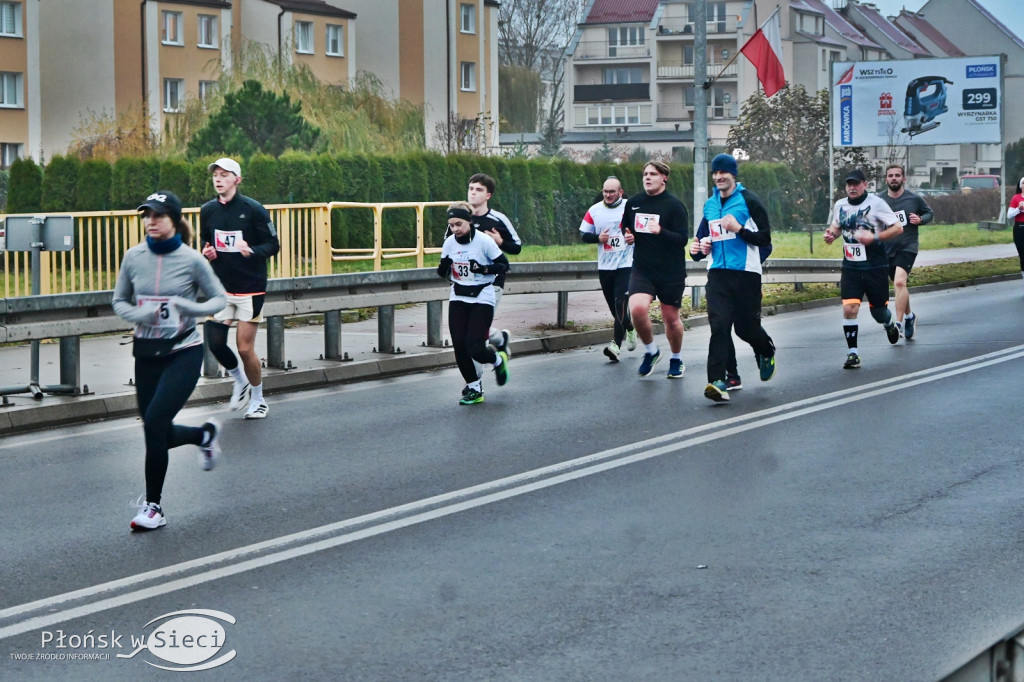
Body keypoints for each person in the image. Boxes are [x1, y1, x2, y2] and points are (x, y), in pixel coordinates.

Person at [112, 190, 227, 531]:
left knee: (155, 421)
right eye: (146, 215)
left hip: (183, 351)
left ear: (174, 221)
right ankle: (204, 435)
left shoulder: (192, 260)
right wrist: (138, 313)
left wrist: (188, 307)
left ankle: (153, 507)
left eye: (158, 216)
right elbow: (118, 300)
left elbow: (219, 299)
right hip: (146, 353)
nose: (150, 222)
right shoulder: (133, 257)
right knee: (154, 430)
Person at [690, 153, 776, 403]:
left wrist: (739, 229)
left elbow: (765, 239)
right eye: (715, 173)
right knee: (719, 326)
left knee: (745, 329)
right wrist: (697, 250)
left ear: (733, 174)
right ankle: (717, 381)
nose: (718, 177)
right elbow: (700, 242)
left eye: (723, 173)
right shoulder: (710, 205)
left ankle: (766, 350)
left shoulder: (749, 201)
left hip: (746, 274)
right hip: (717, 274)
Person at [200, 158, 280, 419]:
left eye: (224, 174)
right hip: (222, 288)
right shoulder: (208, 210)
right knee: (215, 342)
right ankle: (240, 380)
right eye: (216, 175)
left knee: (245, 349)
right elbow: (206, 240)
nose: (218, 179)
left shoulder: (254, 209)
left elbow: (273, 245)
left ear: (237, 179)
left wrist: (252, 251)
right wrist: (208, 251)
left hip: (250, 287)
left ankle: (258, 400)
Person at [823, 169, 903, 369]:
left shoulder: (876, 203)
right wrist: (831, 235)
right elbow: (837, 226)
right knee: (850, 308)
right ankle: (853, 354)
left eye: (856, 184)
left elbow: (897, 228)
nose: (852, 188)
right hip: (851, 266)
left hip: (875, 265)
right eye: (849, 184)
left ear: (865, 184)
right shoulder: (840, 205)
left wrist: (874, 237)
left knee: (878, 313)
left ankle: (889, 323)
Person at [621, 160, 690, 378]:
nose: (647, 178)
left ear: (664, 178)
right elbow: (626, 226)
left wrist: (661, 231)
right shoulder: (633, 203)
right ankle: (651, 351)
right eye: (645, 174)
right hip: (643, 268)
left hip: (671, 271)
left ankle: (676, 359)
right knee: (637, 309)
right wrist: (628, 235)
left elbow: (682, 239)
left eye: (652, 174)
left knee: (671, 319)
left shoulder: (674, 205)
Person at [438, 202, 511, 405]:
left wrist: (482, 269)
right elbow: (442, 270)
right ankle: (474, 389)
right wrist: (444, 267)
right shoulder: (449, 243)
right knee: (459, 346)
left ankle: (498, 360)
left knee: (475, 347)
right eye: (451, 225)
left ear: (469, 221)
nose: (455, 229)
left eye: (459, 224)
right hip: (459, 297)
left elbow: (504, 265)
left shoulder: (483, 241)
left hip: (482, 296)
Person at [579, 176, 637, 362]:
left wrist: (634, 237)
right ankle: (629, 327)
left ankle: (615, 345)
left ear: (620, 192)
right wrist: (598, 238)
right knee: (615, 308)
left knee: (620, 301)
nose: (608, 195)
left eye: (612, 192)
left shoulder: (632, 206)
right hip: (605, 266)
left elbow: (643, 230)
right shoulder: (594, 210)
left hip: (627, 263)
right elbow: (583, 234)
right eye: (605, 191)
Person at [466, 173, 522, 359]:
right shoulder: (460, 218)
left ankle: (476, 381)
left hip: (492, 282)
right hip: (466, 282)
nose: (473, 193)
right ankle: (500, 339)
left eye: (479, 190)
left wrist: (500, 242)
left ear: (488, 195)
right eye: (471, 188)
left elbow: (516, 247)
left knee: (476, 328)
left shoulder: (498, 219)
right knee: (469, 327)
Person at [877, 164, 933, 340]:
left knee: (900, 283)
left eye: (897, 175)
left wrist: (921, 219)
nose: (894, 178)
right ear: (886, 179)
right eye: (890, 175)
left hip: (907, 246)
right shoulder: (879, 200)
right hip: (886, 249)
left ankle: (898, 324)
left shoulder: (913, 199)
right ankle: (910, 316)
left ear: (903, 179)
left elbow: (929, 213)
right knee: (900, 286)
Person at [1008, 177, 1024, 290]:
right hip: (1019, 229)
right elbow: (1009, 215)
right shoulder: (1016, 198)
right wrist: (1018, 209)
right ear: (1020, 185)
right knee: (1023, 255)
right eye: (1023, 183)